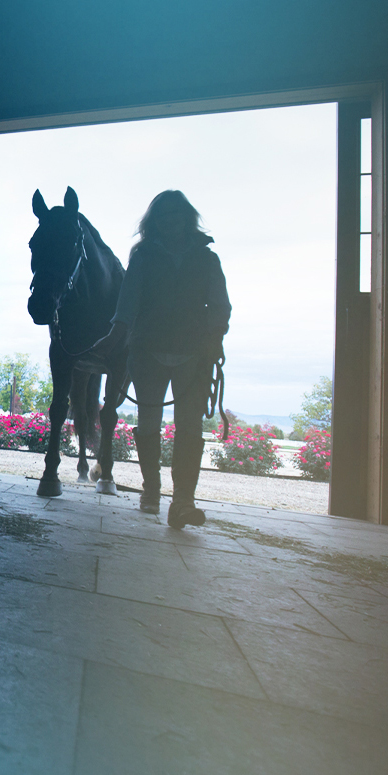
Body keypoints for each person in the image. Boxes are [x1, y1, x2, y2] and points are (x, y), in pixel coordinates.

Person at [94, 191, 231, 528]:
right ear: (156, 221)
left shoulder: (207, 259)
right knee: (150, 422)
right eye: (164, 215)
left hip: (193, 355)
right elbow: (127, 305)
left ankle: (183, 500)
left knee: (190, 427)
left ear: (186, 217)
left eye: (176, 214)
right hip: (147, 350)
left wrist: (214, 339)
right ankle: (151, 490)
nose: (171, 221)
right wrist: (113, 339)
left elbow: (220, 305)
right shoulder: (142, 257)